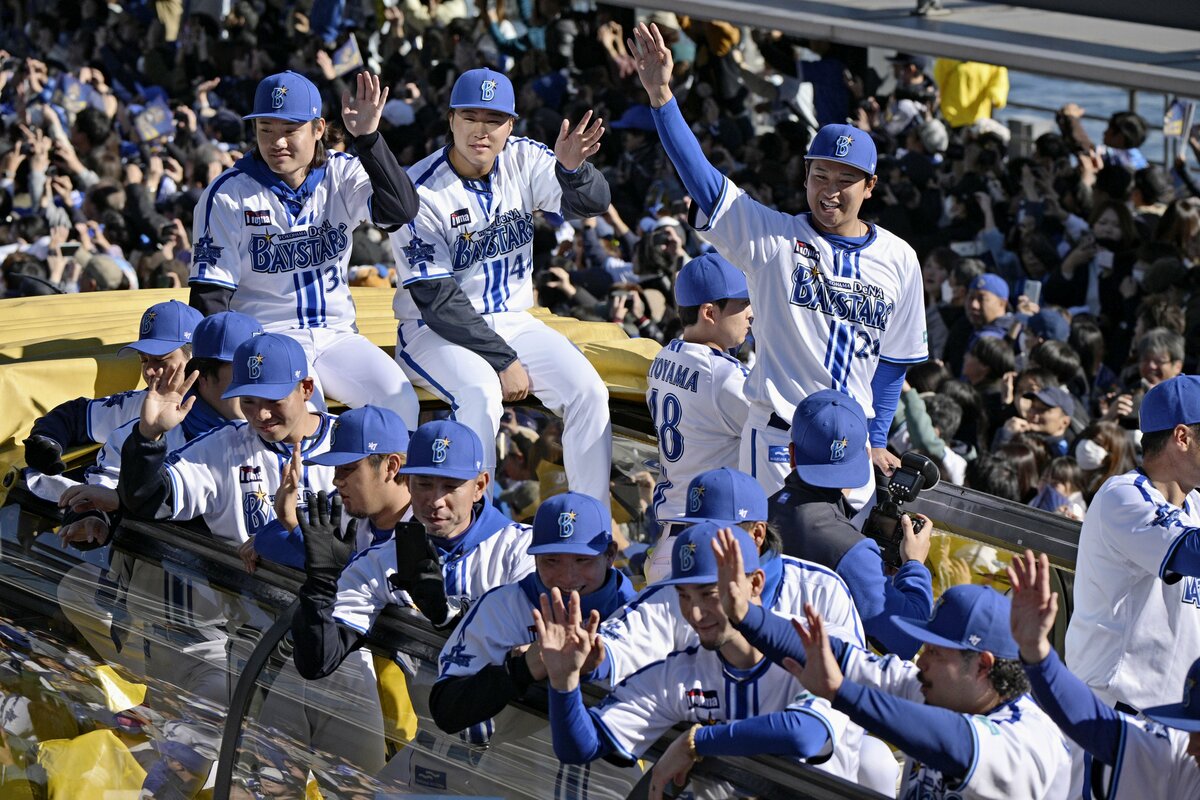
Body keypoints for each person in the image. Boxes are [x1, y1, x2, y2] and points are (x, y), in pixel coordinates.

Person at [628, 23, 928, 503]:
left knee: (843, 550)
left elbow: (894, 361)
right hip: (777, 439)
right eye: (820, 175)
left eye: (846, 180)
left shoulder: (900, 259)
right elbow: (703, 180)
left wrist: (875, 439)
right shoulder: (773, 238)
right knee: (773, 547)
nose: (830, 190)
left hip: (852, 450)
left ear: (870, 186)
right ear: (805, 174)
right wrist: (662, 96)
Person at [387, 67, 613, 502]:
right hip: (433, 331)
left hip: (513, 319)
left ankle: (592, 521)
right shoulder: (419, 189)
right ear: (451, 119)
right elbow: (436, 299)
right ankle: (476, 521)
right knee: (480, 392)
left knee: (588, 392)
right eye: (470, 117)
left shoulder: (524, 158)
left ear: (510, 125)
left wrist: (573, 170)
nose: (481, 130)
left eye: (493, 120)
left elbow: (593, 203)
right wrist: (504, 360)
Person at [715, 531, 1072, 799]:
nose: (921, 660)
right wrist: (747, 616)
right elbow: (834, 654)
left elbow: (947, 737)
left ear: (982, 666)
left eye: (936, 652)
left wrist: (841, 692)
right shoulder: (940, 689)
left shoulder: (1027, 740)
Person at [540, 523, 860, 799]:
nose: (694, 612)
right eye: (684, 595)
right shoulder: (683, 670)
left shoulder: (819, 642)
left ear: (755, 584)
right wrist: (564, 683)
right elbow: (580, 747)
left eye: (709, 594)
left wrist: (695, 741)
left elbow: (804, 735)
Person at [187, 70, 421, 429]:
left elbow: (401, 210)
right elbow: (210, 295)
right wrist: (222, 370)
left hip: (337, 335)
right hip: (267, 337)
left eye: (290, 129)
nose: (277, 142)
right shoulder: (228, 193)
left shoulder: (342, 173)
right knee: (304, 418)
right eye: (266, 129)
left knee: (399, 400)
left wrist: (369, 139)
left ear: (318, 129)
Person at [425, 491, 637, 796]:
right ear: (534, 556)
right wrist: (522, 668)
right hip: (512, 779)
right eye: (551, 560)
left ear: (610, 554)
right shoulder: (504, 606)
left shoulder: (641, 616)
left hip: (613, 786)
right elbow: (447, 710)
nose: (567, 576)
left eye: (582, 559)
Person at [291, 419, 535, 682]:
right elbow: (318, 663)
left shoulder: (525, 548)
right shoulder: (380, 560)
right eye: (424, 484)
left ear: (479, 487)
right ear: (407, 482)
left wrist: (449, 612)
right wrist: (321, 584)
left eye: (451, 486)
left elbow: (535, 636)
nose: (436, 500)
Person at [597, 467, 864, 684]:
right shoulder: (678, 588)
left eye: (719, 534)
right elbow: (617, 645)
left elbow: (855, 681)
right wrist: (593, 657)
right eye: (694, 529)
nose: (703, 541)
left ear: (757, 534)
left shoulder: (821, 588)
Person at [56, 311, 263, 549]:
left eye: (259, 370)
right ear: (202, 374)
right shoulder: (148, 428)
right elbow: (107, 486)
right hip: (158, 563)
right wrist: (95, 515)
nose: (256, 383)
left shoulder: (283, 429)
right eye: (242, 371)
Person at [1010, 550, 1200, 798]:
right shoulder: (1179, 756)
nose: (1191, 746)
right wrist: (1037, 653)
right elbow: (1093, 723)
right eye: (1192, 731)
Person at [117, 332, 338, 546]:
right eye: (248, 401)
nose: (261, 415)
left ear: (306, 388)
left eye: (273, 400)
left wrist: (271, 542)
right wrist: (148, 436)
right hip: (238, 572)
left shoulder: (349, 440)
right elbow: (147, 500)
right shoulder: (223, 446)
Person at [1065, 374, 1200, 711]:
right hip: (1116, 710)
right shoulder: (1123, 495)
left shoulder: (1195, 503)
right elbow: (1191, 553)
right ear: (1182, 437)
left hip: (1174, 711)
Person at [769, 389, 934, 657]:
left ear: (791, 454)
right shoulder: (852, 551)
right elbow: (907, 639)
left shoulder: (756, 513)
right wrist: (914, 564)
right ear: (864, 459)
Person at [644, 253, 752, 582]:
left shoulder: (663, 356)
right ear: (709, 312)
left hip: (668, 540)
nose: (751, 313)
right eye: (742, 304)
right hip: (708, 545)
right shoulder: (724, 376)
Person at [23, 299, 203, 491]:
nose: (149, 370)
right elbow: (75, 415)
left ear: (194, 356)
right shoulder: (139, 402)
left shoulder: (221, 425)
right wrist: (47, 440)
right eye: (143, 360)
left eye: (160, 359)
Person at [255, 404, 413, 569]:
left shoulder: (426, 522)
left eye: (348, 468)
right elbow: (266, 538)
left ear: (391, 467)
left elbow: (382, 577)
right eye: (336, 468)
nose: (336, 480)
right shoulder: (349, 505)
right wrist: (319, 555)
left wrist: (331, 560)